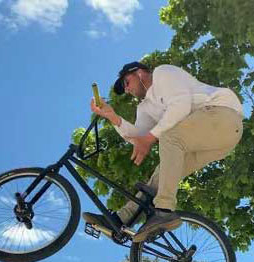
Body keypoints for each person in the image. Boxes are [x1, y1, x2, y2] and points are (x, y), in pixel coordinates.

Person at [83, 61, 243, 242]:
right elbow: (139, 138)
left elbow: (180, 106)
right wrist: (112, 116)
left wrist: (149, 139)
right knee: (160, 177)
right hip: (218, 144)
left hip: (222, 115)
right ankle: (119, 219)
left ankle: (164, 211)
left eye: (126, 83)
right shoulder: (144, 107)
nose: (127, 90)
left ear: (139, 73)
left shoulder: (162, 73)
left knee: (168, 136)